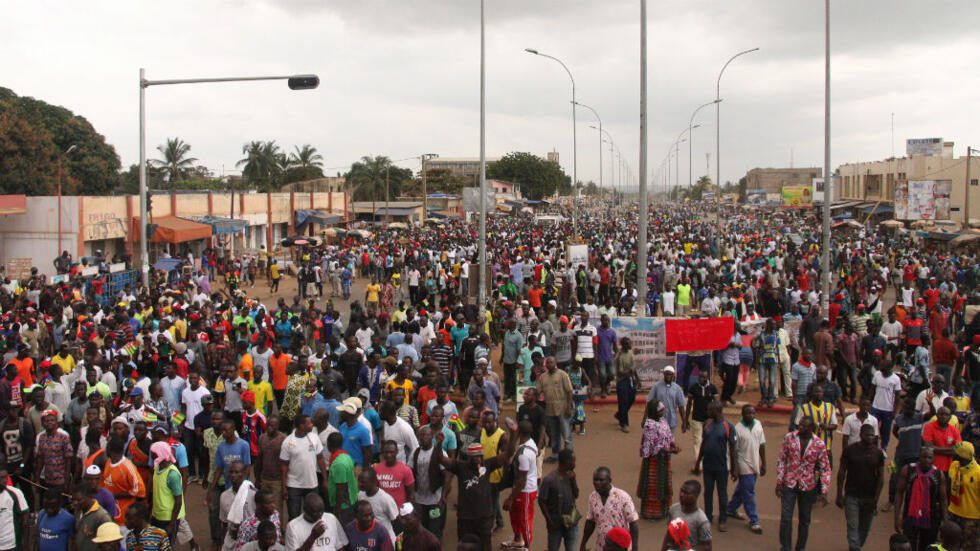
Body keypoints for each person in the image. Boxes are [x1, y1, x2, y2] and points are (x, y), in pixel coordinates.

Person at [436, 417, 519, 551]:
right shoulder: (460, 466)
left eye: (479, 455)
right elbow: (441, 458)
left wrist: (514, 433)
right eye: (474, 456)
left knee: (486, 546)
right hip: (465, 517)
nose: (477, 459)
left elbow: (508, 453)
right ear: (469, 456)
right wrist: (439, 444)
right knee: (464, 546)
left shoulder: (488, 464)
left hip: (484, 516)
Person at [776, 416, 831, 551]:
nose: (800, 427)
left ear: (811, 428)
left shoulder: (819, 444)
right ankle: (786, 547)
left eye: (804, 426)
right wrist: (779, 481)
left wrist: (824, 490)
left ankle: (800, 547)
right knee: (786, 518)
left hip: (808, 485)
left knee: (805, 520)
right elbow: (782, 460)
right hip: (789, 483)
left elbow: (825, 468)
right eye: (799, 425)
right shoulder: (789, 438)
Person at [836, 424, 886, 551]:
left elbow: (881, 477)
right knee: (853, 526)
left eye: (872, 435)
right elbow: (842, 472)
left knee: (865, 528)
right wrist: (839, 494)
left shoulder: (878, 453)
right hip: (851, 495)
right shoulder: (850, 450)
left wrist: (876, 498)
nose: (870, 437)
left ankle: (856, 546)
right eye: (867, 435)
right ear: (861, 435)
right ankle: (855, 547)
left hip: (869, 497)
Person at [694, 401, 736, 532]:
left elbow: (733, 449)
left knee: (722, 494)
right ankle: (708, 517)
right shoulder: (707, 423)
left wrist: (734, 469)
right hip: (708, 466)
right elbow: (703, 444)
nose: (707, 411)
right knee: (708, 493)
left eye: (709, 409)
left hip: (722, 467)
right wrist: (697, 463)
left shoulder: (728, 426)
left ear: (716, 411)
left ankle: (723, 519)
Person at [894, 446, 947, 551]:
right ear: (919, 457)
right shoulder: (908, 470)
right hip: (910, 516)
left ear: (933, 459)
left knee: (927, 546)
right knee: (909, 546)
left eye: (930, 457)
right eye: (924, 457)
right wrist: (897, 517)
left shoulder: (938, 474)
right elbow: (899, 493)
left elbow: (943, 499)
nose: (926, 460)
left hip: (931, 518)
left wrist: (945, 521)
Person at [279, 413, 329, 521]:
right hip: (293, 485)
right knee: (293, 516)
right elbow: (284, 466)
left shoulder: (314, 438)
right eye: (309, 423)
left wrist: (325, 479)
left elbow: (320, 459)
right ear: (301, 426)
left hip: (312, 484)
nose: (312, 425)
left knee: (313, 515)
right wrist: (284, 487)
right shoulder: (288, 442)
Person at [578, 467, 639, 551]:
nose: (597, 483)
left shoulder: (622, 497)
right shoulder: (592, 497)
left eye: (601, 480)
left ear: (610, 480)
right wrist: (583, 544)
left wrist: (635, 548)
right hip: (601, 546)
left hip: (619, 546)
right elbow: (590, 522)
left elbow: (633, 523)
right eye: (595, 480)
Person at [728, 404, 766, 534]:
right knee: (749, 492)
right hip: (743, 463)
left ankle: (731, 508)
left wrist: (764, 463)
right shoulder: (737, 429)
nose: (751, 415)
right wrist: (734, 469)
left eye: (753, 413)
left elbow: (762, 444)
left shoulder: (758, 424)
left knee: (743, 489)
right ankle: (754, 520)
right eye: (748, 413)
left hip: (755, 462)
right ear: (742, 414)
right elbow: (734, 451)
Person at [638, 398, 678, 520]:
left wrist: (672, 445)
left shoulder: (663, 421)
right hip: (654, 460)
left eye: (662, 410)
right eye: (660, 411)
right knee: (653, 486)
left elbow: (669, 435)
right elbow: (650, 446)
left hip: (664, 459)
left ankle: (663, 510)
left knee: (663, 484)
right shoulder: (649, 425)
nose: (662, 412)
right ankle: (651, 513)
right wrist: (668, 450)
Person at [502, 420, 539, 549]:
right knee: (515, 515)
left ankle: (527, 547)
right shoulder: (529, 443)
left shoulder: (524, 454)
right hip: (521, 489)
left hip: (525, 490)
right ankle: (517, 540)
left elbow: (522, 480)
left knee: (525, 519)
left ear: (520, 432)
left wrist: (510, 498)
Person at [539, 449, 580, 551]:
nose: (575, 463)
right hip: (555, 523)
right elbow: (542, 501)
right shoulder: (550, 480)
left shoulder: (571, 476)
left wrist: (573, 482)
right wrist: (549, 521)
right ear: (567, 462)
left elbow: (576, 495)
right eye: (573, 461)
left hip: (571, 520)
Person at [536, 356, 574, 462]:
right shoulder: (543, 377)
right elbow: (538, 391)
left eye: (551, 362)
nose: (549, 364)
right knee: (554, 433)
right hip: (550, 410)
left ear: (555, 363)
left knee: (566, 433)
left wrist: (569, 406)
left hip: (563, 408)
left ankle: (569, 455)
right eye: (547, 363)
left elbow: (569, 391)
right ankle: (555, 454)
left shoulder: (562, 375)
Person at [283, 493, 348, 551]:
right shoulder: (293, 526)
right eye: (315, 513)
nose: (320, 516)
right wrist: (312, 537)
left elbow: (340, 547)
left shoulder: (331, 518)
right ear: (305, 509)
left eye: (322, 511)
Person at [947, 441, 980, 551]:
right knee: (949, 545)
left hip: (971, 519)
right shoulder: (954, 466)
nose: (953, 454)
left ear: (963, 456)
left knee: (969, 547)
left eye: (956, 453)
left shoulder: (978, 473)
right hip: (953, 513)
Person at [664, 480, 712, 551]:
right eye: (681, 491)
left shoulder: (701, 520)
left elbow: (707, 546)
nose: (681, 494)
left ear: (696, 496)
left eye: (686, 493)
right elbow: (669, 535)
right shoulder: (673, 509)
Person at [356, 468, 398, 546]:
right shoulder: (360, 495)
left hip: (385, 539)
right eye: (359, 481)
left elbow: (395, 519)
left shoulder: (385, 499)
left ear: (374, 482)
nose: (359, 484)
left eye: (363, 482)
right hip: (370, 539)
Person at [685, 370, 718, 467]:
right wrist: (686, 419)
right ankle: (699, 463)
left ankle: (707, 459)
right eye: (699, 377)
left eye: (703, 377)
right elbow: (689, 403)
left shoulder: (713, 388)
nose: (701, 378)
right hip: (696, 418)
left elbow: (717, 405)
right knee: (697, 440)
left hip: (709, 419)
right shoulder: (693, 388)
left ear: (707, 377)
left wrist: (717, 419)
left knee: (708, 440)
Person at [646, 366, 688, 435]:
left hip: (671, 421)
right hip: (658, 421)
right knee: (659, 442)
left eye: (670, 374)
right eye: (667, 374)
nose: (668, 376)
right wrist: (645, 418)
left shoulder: (677, 389)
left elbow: (681, 406)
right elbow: (649, 402)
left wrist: (684, 422)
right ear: (664, 374)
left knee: (670, 442)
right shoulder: (656, 386)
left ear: (673, 375)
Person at [73, 482, 115, 551]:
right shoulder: (78, 511)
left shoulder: (102, 516)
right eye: (73, 499)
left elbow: (109, 543)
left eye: (79, 500)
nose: (75, 503)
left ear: (89, 497)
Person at [614, 337, 639, 432]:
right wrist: (630, 371)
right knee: (623, 401)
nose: (630, 345)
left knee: (632, 398)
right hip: (621, 380)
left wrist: (637, 379)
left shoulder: (630, 353)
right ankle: (623, 423)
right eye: (628, 344)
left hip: (630, 379)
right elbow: (620, 373)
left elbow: (634, 367)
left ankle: (620, 414)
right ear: (623, 345)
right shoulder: (619, 356)